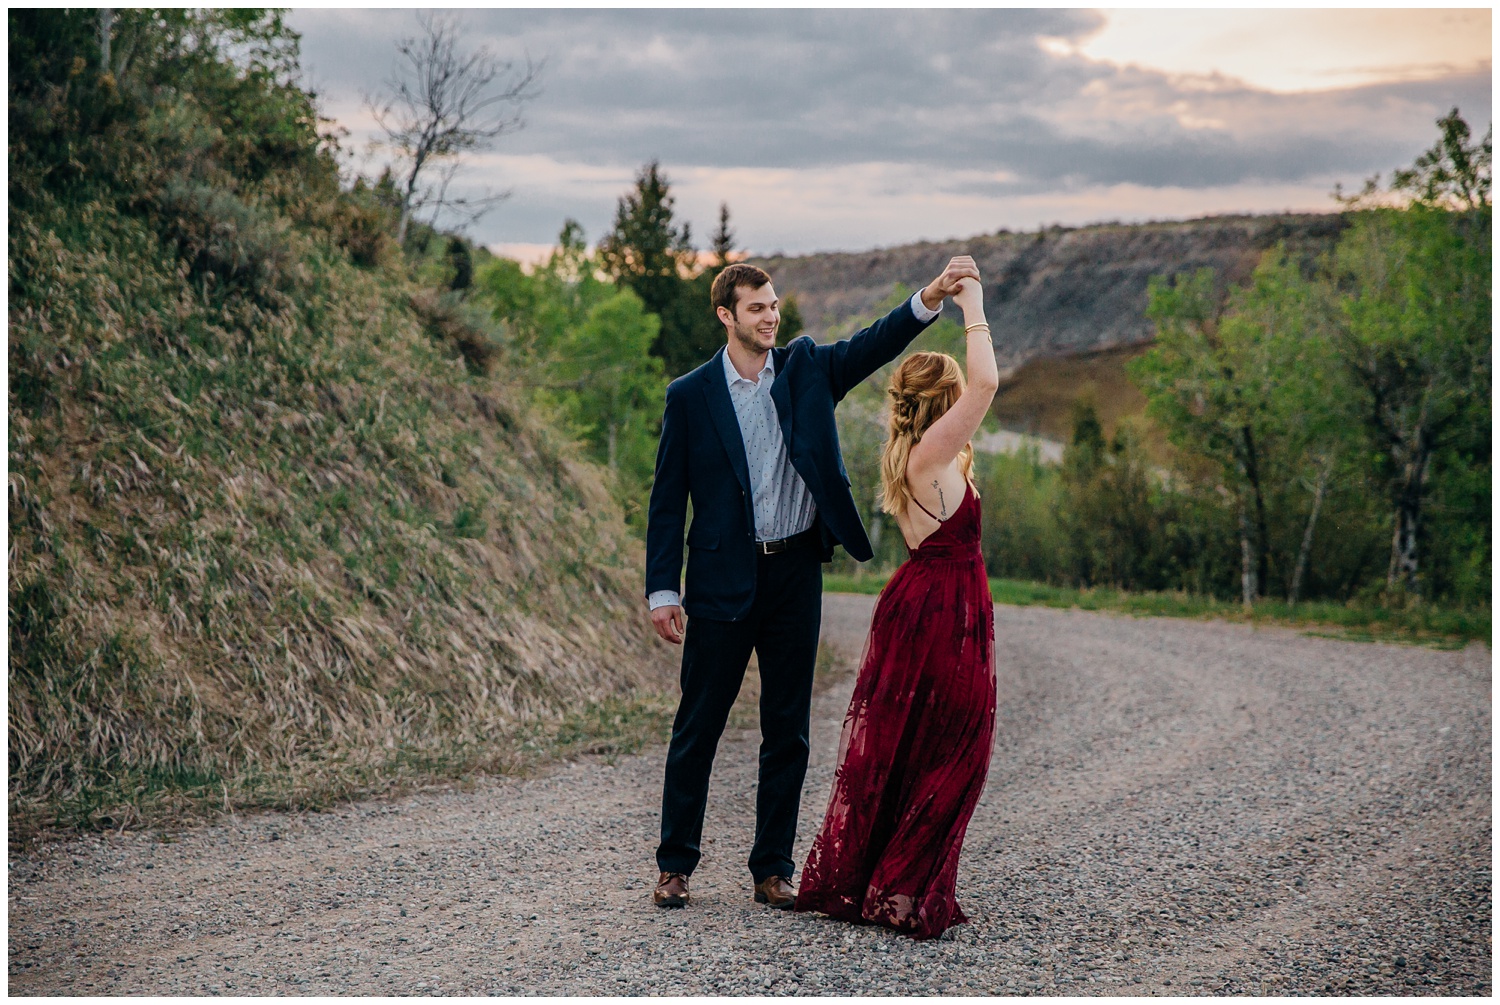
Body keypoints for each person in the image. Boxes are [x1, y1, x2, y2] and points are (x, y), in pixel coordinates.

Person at [645, 257, 982, 910]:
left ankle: (772, 869)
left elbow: (874, 342)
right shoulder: (690, 395)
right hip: (719, 578)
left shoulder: (807, 369)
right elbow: (668, 499)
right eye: (756, 308)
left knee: (788, 728)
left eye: (773, 305)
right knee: (698, 726)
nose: (770, 316)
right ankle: (674, 865)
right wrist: (664, 588)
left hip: (795, 571)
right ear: (726, 316)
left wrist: (931, 297)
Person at [793, 275, 998, 940]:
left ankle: (892, 877)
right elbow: (989, 385)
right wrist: (973, 311)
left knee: (914, 742)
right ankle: (902, 884)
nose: (967, 398)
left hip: (924, 604)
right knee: (954, 745)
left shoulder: (921, 455)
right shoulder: (932, 452)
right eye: (956, 394)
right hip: (939, 611)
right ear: (944, 401)